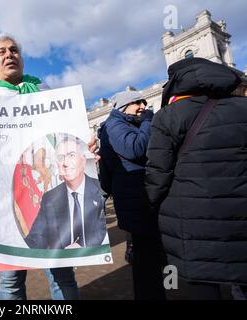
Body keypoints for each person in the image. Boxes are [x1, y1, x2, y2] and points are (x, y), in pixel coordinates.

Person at [0, 33, 99, 300]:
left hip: (54, 201)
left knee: (63, 278)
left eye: (14, 50)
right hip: (7, 208)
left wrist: (86, 148)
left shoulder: (45, 95)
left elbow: (67, 141)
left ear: (22, 58)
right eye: (2, 52)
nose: (9, 55)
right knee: (10, 283)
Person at [145, 57, 247, 299]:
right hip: (241, 214)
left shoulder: (168, 115)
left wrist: (153, 205)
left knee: (202, 282)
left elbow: (157, 173)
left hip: (191, 220)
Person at [98, 90, 166, 300]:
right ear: (123, 107)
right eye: (137, 102)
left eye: (144, 102)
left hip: (144, 199)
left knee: (158, 258)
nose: (143, 107)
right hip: (137, 203)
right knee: (146, 261)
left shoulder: (129, 124)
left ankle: (163, 291)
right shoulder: (114, 125)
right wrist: (147, 123)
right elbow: (134, 148)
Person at [25, 136, 106, 249]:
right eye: (60, 158)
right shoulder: (50, 198)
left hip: (95, 258)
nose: (65, 163)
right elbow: (37, 235)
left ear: (83, 160)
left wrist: (82, 244)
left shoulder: (97, 191)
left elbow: (99, 227)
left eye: (71, 155)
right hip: (61, 260)